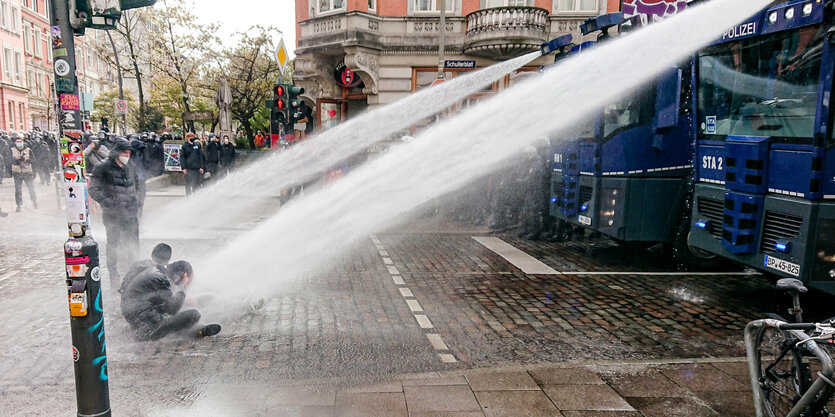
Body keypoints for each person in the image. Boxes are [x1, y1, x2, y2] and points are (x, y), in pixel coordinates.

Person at [121, 260, 221, 341]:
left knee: (186, 306)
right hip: (148, 328)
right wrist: (183, 289)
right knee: (195, 314)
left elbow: (162, 303)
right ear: (185, 276)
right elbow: (171, 309)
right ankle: (190, 332)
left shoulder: (157, 273)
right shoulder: (161, 279)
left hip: (139, 318)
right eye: (189, 281)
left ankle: (191, 330)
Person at [89, 139, 141, 287]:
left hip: (130, 213)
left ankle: (134, 273)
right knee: (113, 245)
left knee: (133, 243)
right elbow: (94, 189)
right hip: (113, 215)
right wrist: (109, 203)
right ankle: (113, 274)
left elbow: (136, 184)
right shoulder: (102, 167)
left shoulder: (130, 166)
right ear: (117, 152)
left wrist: (134, 200)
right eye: (124, 152)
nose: (127, 155)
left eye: (129, 153)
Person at [10, 135, 37, 212]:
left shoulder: (28, 150)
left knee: (31, 188)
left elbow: (33, 160)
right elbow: (9, 160)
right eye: (17, 142)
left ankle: (34, 201)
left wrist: (26, 161)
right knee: (18, 190)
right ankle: (19, 205)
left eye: (20, 142)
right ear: (15, 143)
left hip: (27, 172)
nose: (19, 143)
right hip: (17, 173)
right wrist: (17, 160)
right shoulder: (12, 150)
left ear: (23, 142)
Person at [130, 139, 150, 217]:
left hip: (141, 181)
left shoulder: (142, 153)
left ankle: (139, 215)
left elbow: (147, 164)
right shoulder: (131, 157)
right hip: (134, 182)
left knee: (141, 200)